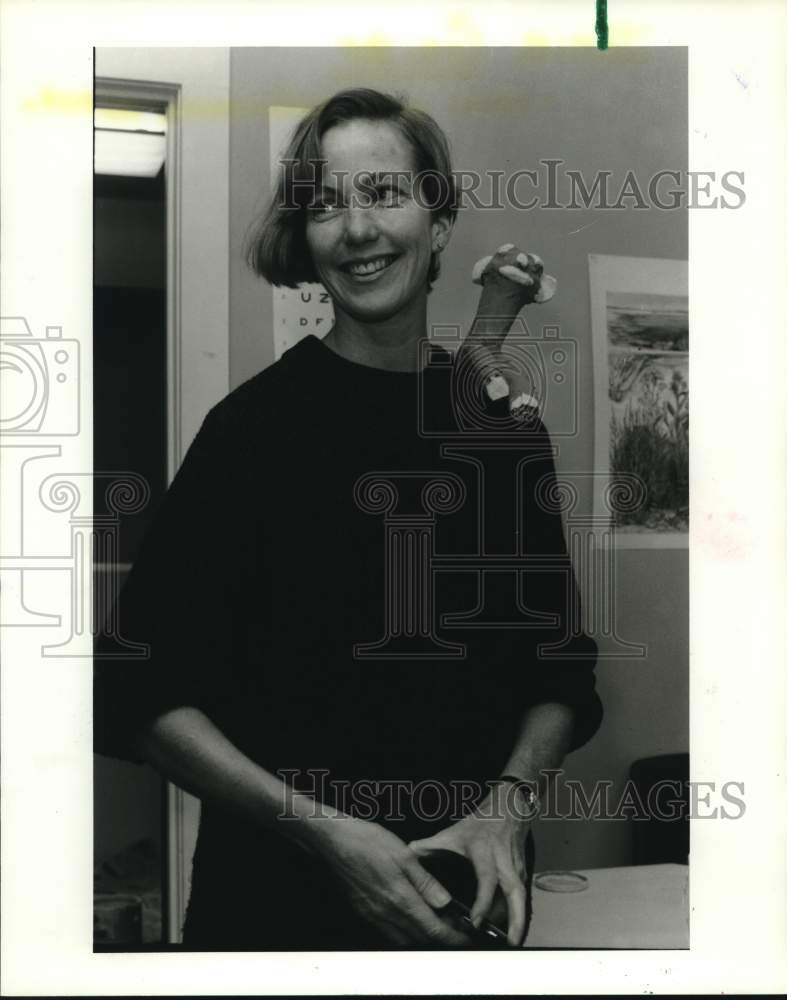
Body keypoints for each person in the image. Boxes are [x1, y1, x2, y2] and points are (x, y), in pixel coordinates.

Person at [94, 87, 602, 951]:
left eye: (383, 193)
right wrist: (324, 834)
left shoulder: (501, 431)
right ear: (306, 237)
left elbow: (558, 671)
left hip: (468, 901)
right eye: (325, 204)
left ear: (439, 222)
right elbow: (139, 694)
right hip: (275, 909)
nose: (356, 229)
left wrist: (504, 810)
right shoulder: (251, 432)